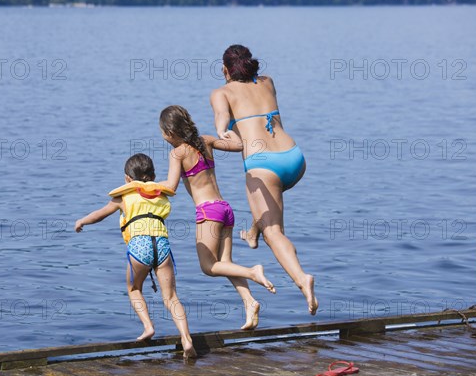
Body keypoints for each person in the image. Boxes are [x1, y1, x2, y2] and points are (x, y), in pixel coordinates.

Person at [209, 44, 318, 315]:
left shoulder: (221, 93)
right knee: (265, 208)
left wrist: (219, 134)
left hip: (263, 166)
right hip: (294, 159)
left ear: (225, 69)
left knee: (274, 231)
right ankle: (252, 233)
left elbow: (222, 124)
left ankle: (301, 278)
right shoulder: (268, 82)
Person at [158, 105, 275, 330]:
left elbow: (171, 187)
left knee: (208, 266)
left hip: (208, 212)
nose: (163, 137)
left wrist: (142, 186)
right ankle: (249, 302)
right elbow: (239, 144)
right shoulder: (206, 141)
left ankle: (253, 271)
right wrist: (227, 131)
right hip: (225, 209)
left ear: (170, 133)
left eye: (162, 132)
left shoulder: (177, 153)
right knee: (225, 264)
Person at [74, 153, 196, 358]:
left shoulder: (123, 196)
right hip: (162, 245)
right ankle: (186, 338)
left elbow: (100, 214)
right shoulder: (160, 195)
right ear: (153, 176)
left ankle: (148, 326)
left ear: (128, 179)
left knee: (134, 289)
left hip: (140, 246)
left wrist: (82, 221)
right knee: (171, 296)